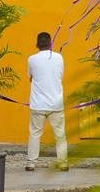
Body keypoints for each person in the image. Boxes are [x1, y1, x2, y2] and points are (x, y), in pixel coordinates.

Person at [26, 31, 68, 171]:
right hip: (56, 103)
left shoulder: (31, 59)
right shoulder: (59, 58)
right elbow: (60, 76)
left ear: (37, 44)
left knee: (35, 134)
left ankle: (31, 163)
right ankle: (63, 163)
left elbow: (30, 77)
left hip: (38, 104)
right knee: (60, 135)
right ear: (51, 43)